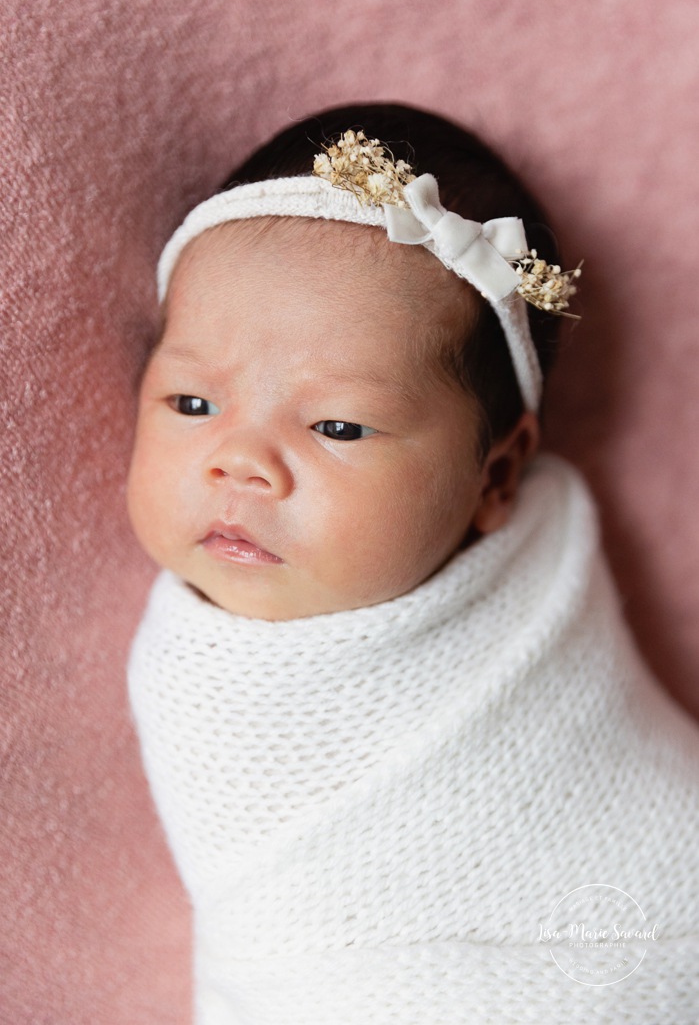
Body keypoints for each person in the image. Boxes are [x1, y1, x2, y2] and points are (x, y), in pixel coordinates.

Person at [126, 103, 699, 1023]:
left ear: (495, 472)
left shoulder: (536, 592)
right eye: (192, 402)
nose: (239, 462)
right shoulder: (192, 664)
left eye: (337, 426)